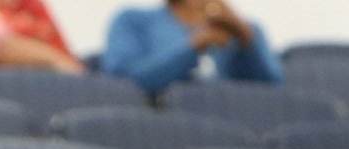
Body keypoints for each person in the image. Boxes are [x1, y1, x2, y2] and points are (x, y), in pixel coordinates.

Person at [98, 0, 281, 92]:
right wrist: (195, 45)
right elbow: (123, 82)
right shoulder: (133, 20)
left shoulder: (244, 29)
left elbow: (272, 90)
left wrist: (245, 39)